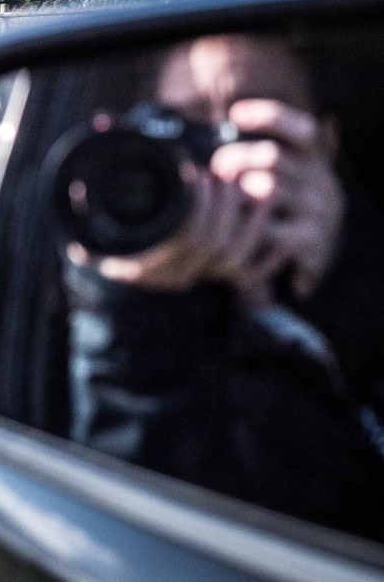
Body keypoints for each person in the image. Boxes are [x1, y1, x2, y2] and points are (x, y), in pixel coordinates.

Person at [64, 33, 384, 541]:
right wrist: (131, 313)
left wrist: (348, 277)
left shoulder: (364, 272)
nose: (224, 167)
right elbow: (134, 539)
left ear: (326, 141)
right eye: (188, 131)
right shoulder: (105, 317)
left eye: (256, 128)